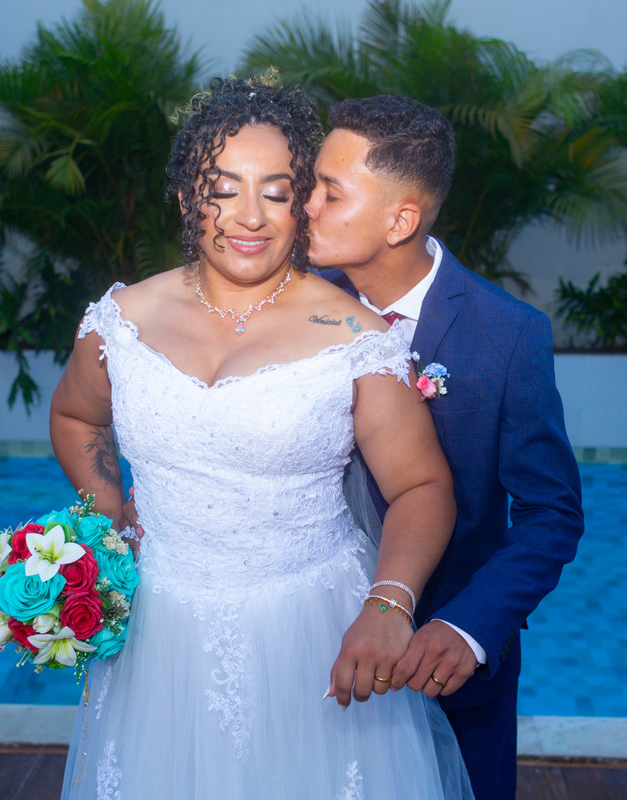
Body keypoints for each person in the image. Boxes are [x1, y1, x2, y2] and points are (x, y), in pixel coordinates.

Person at [48, 75, 473, 799]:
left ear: (302, 203)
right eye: (223, 190)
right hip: (158, 636)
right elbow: (76, 416)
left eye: (276, 193)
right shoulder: (122, 321)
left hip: (311, 631)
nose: (250, 216)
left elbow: (422, 485)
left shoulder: (355, 336)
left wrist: (388, 603)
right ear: (187, 197)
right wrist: (108, 515)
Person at [306, 95, 585, 800]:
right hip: (306, 646)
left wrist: (469, 628)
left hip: (442, 665)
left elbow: (551, 514)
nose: (305, 207)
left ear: (401, 220)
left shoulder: (507, 334)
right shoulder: (293, 306)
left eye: (330, 193)